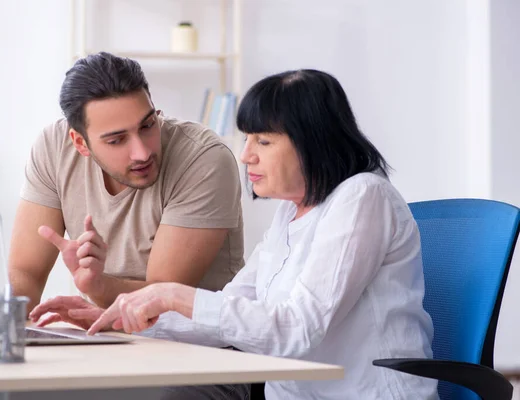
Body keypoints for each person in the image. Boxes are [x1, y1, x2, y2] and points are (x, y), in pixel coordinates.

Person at [30, 69, 439, 399]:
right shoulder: (289, 217)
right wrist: (119, 316)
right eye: (247, 139)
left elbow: (298, 329)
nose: (246, 155)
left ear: (312, 142)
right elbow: (226, 314)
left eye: (263, 140)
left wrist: (174, 295)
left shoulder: (363, 196)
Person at [8, 52, 245, 313]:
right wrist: (0, 332)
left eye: (147, 125)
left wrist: (97, 286)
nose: (142, 153)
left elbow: (162, 299)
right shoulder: (54, 148)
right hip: (104, 336)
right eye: (116, 140)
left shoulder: (203, 159)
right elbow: (25, 273)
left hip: (194, 343)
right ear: (80, 143)